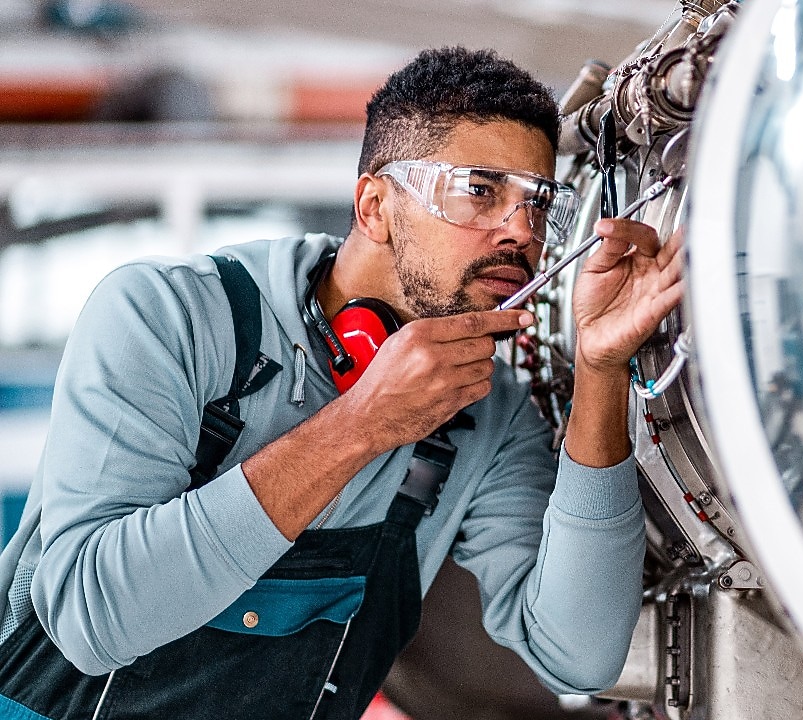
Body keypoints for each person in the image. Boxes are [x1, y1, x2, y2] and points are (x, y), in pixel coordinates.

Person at [0, 46, 683, 718]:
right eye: (480, 190)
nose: (520, 233)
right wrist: (361, 426)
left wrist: (600, 370)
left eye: (538, 205)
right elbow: (92, 623)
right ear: (374, 207)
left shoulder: (484, 409)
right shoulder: (165, 317)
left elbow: (580, 655)